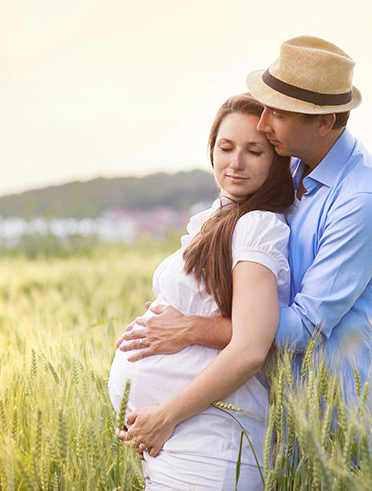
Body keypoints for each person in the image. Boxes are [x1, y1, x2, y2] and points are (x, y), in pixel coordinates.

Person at [118, 35, 372, 410]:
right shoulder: (285, 167)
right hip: (279, 413)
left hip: (341, 416)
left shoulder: (363, 202)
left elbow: (304, 328)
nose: (263, 122)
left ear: (324, 122)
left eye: (279, 114)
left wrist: (192, 328)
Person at [108, 93, 294, 489]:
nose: (236, 162)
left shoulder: (257, 225)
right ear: (211, 151)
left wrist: (165, 416)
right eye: (226, 148)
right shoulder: (221, 217)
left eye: (254, 151)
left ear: (276, 161)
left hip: (210, 445)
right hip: (184, 441)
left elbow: (250, 348)